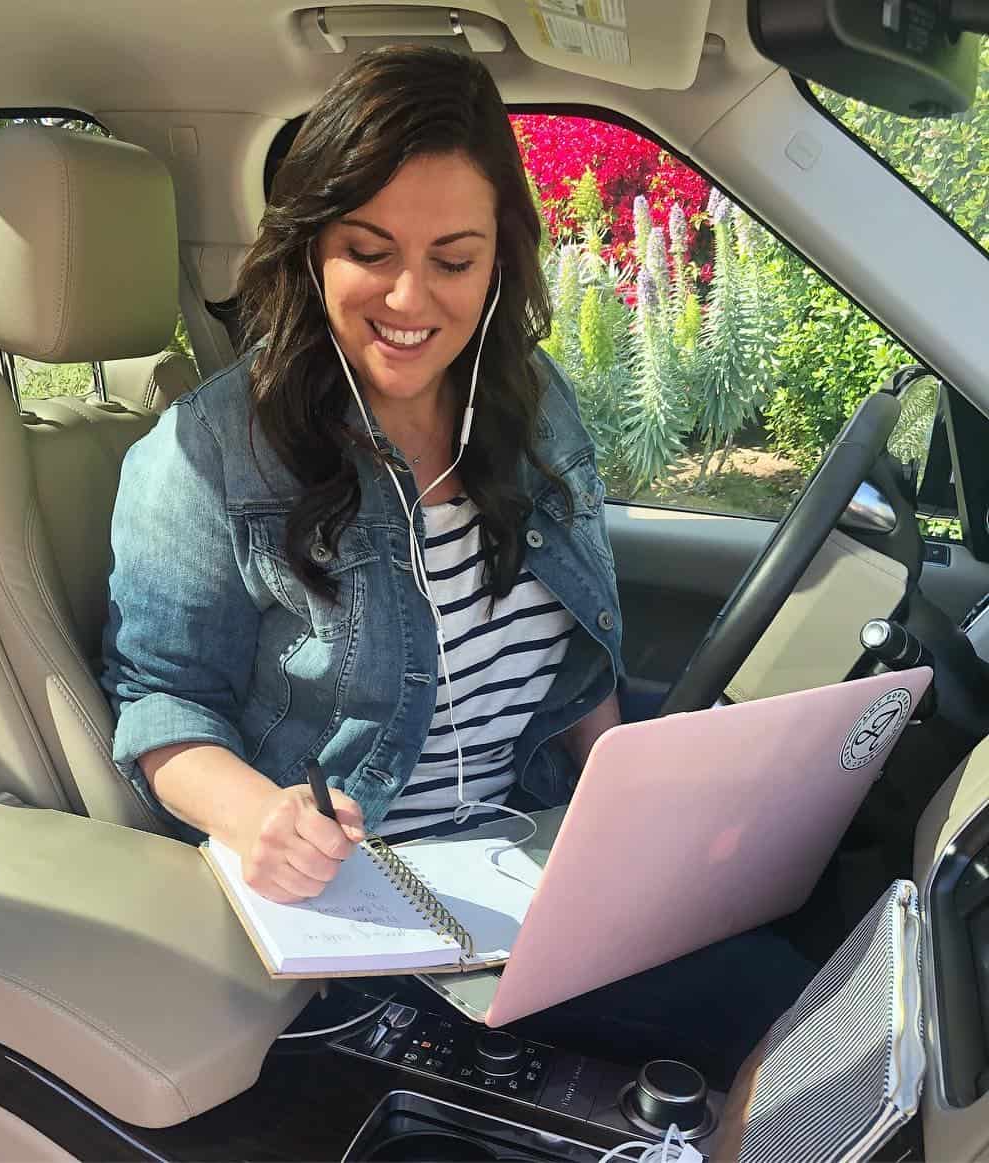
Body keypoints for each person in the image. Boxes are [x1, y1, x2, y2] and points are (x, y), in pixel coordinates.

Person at [101, 44, 813, 1088]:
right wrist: (261, 817)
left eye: (453, 257)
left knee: (817, 955)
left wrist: (631, 808)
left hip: (531, 848)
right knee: (788, 1023)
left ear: (500, 258)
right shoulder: (202, 455)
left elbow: (573, 662)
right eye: (368, 248)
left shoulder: (531, 404)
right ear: (311, 249)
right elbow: (160, 701)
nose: (409, 295)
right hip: (367, 906)